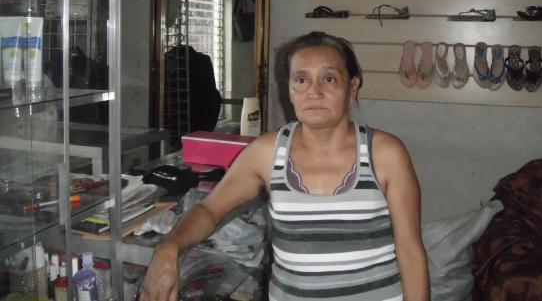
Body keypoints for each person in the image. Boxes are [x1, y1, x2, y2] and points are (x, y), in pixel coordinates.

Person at [140, 31, 430, 301]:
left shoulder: (385, 154)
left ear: (352, 87)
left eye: (329, 79)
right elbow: (209, 209)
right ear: (289, 89)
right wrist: (170, 246)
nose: (314, 92)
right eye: (301, 80)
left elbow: (411, 252)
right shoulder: (267, 153)